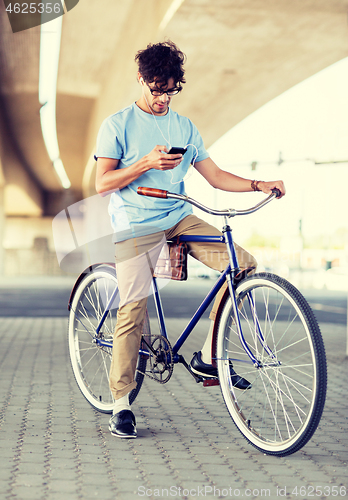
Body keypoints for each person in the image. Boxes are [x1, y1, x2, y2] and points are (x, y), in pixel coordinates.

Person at [95, 41, 286, 439]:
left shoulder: (184, 127)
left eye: (170, 89)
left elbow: (214, 176)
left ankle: (207, 356)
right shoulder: (117, 125)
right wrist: (145, 162)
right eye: (156, 88)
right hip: (135, 221)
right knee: (133, 307)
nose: (163, 97)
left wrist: (257, 184)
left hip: (178, 215)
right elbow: (102, 184)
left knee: (242, 263)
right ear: (141, 80)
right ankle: (121, 402)